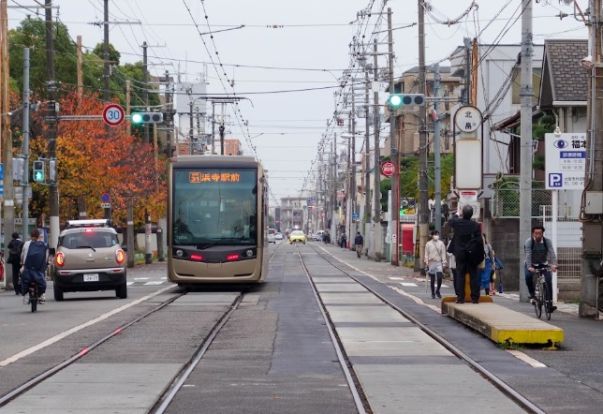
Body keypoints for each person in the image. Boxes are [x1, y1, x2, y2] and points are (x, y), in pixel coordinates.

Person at [448, 205, 482, 304]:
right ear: (471, 214)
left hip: (460, 253)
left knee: (460, 274)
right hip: (472, 253)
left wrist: (457, 214)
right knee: (473, 275)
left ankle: (460, 298)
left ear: (463, 213)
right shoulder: (475, 225)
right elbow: (479, 240)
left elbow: (450, 221)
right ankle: (475, 298)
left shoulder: (458, 223)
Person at [524, 225, 557, 313]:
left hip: (543, 264)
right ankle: (532, 295)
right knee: (528, 277)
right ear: (533, 233)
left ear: (542, 233)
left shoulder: (547, 242)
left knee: (548, 280)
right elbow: (528, 255)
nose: (538, 235)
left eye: (540, 233)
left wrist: (554, 265)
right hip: (531, 264)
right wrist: (529, 267)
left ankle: (549, 304)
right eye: (536, 233)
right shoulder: (529, 242)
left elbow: (552, 253)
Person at [20, 228, 49, 304]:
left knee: (22, 276)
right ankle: (42, 295)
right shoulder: (42, 244)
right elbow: (45, 256)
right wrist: (45, 263)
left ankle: (25, 294)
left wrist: (22, 263)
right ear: (38, 236)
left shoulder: (26, 244)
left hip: (27, 266)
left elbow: (22, 255)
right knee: (43, 276)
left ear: (30, 236)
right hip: (39, 267)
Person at [424, 230, 447, 299]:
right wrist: (427, 262)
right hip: (431, 262)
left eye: (437, 234)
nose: (436, 235)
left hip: (438, 262)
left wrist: (444, 262)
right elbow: (426, 254)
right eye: (435, 234)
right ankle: (433, 293)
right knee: (432, 279)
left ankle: (438, 290)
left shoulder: (441, 243)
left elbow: (443, 253)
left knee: (440, 277)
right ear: (432, 235)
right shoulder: (428, 244)